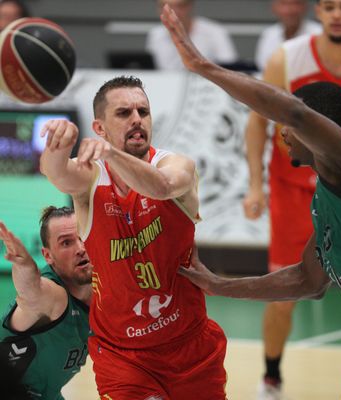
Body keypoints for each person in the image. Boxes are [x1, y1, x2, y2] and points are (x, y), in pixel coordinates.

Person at [161, 4, 341, 399]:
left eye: (287, 127)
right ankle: (271, 377)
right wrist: (219, 285)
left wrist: (203, 67)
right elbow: (306, 280)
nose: (282, 133)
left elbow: (292, 111)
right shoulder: (326, 197)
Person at [242, 0, 341, 397]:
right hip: (294, 191)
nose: (336, 15)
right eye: (329, 6)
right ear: (320, 12)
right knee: (285, 295)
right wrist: (255, 184)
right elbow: (258, 123)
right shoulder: (288, 59)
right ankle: (271, 378)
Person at [39, 76, 227, 400]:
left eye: (143, 111)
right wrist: (58, 146)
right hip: (122, 355)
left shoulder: (175, 164)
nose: (137, 119)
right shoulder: (90, 180)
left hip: (189, 346)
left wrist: (112, 154)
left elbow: (163, 187)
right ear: (99, 128)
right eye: (124, 113)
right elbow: (57, 173)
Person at [0, 206, 92, 400]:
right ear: (48, 256)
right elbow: (32, 292)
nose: (81, 249)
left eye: (82, 236)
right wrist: (23, 265)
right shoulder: (53, 296)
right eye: (66, 243)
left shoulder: (105, 287)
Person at [146, 0, 238, 70]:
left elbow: (229, 68)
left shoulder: (215, 32)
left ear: (190, 6)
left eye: (180, 6)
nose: (173, 12)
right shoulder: (155, 34)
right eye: (166, 7)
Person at [255, 0, 320, 71]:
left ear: (305, 7)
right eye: (284, 4)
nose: (290, 10)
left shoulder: (319, 34)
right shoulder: (268, 34)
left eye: (296, 3)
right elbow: (263, 67)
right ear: (274, 8)